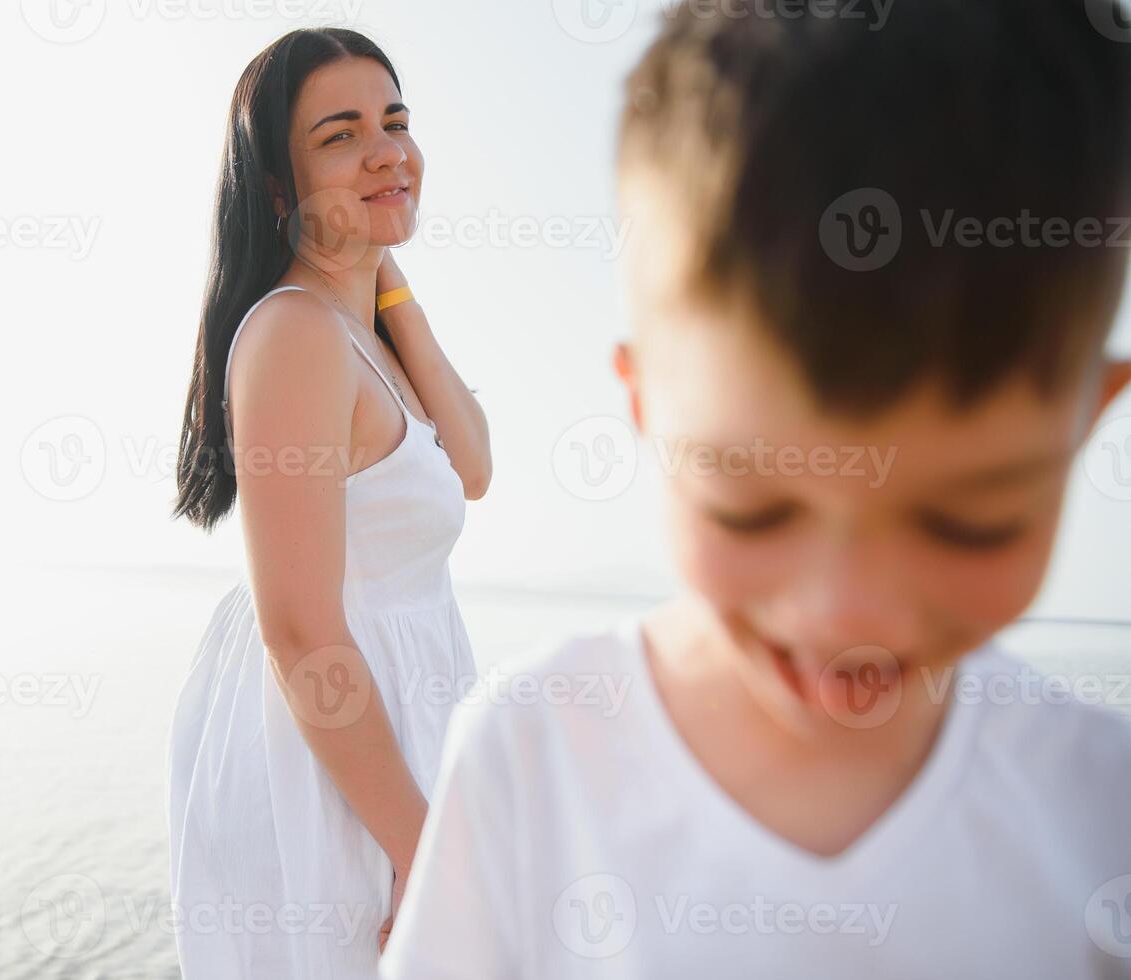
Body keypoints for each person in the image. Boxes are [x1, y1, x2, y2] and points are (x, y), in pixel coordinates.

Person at [380, 1, 1131, 976]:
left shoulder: (1100, 807)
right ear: (643, 402)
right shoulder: (531, 758)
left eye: (967, 521)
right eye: (752, 506)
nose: (848, 612)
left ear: (1089, 417)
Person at [167, 26, 491, 979]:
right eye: (341, 135)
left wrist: (388, 290)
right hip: (329, 762)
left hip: (384, 733)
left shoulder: (362, 334)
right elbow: (303, 631)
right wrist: (420, 843)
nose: (388, 150)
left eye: (394, 121)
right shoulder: (295, 336)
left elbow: (470, 463)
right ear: (278, 187)